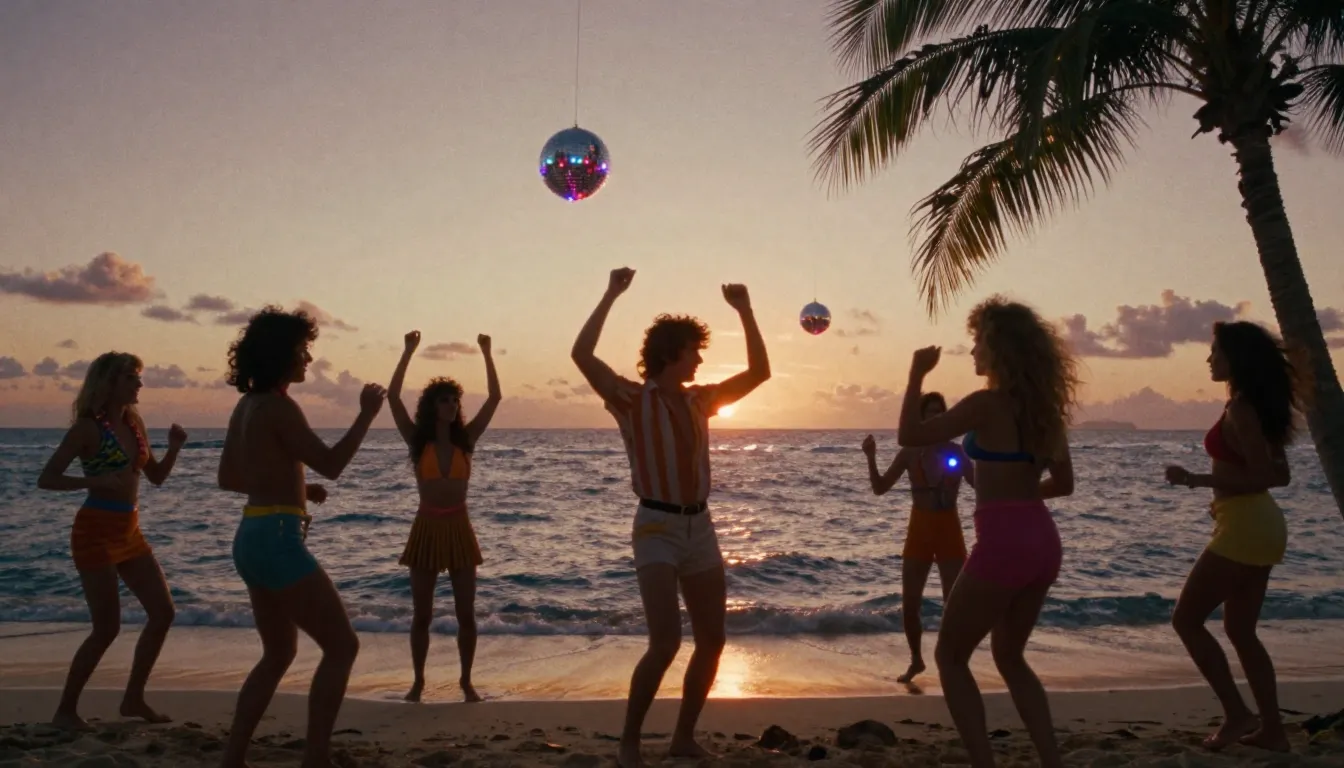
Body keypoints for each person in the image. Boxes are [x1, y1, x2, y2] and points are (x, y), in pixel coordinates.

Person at [571, 268, 770, 768]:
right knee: (664, 642)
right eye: (693, 351)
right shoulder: (631, 399)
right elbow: (582, 355)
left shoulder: (701, 399)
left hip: (699, 527)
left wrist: (746, 311)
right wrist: (610, 293)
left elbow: (759, 373)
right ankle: (629, 743)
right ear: (670, 353)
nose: (700, 359)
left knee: (713, 640)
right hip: (656, 527)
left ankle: (683, 737)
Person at [895, 296, 1079, 768]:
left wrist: (916, 374)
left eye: (978, 341)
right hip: (1043, 541)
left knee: (950, 657)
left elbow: (910, 435)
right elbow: (1064, 484)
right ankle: (1052, 761)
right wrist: (1021, 497)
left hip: (1004, 543)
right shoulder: (1044, 410)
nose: (973, 351)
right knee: (1011, 658)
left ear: (999, 349)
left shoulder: (986, 405)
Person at [216, 306, 386, 768]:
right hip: (277, 538)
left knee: (277, 653)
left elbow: (229, 476)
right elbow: (331, 463)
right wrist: (366, 416)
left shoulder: (247, 405)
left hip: (251, 535)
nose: (308, 359)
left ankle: (233, 757)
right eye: (302, 350)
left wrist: (295, 487)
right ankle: (316, 758)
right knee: (342, 646)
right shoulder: (279, 406)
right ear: (281, 355)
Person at [1164, 321, 1299, 752]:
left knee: (1186, 620)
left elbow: (1263, 476)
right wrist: (1221, 492)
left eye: (1216, 352)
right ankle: (1272, 730)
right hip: (1257, 525)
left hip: (1246, 526)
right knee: (1241, 631)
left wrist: (1195, 480)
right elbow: (1280, 475)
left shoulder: (1242, 409)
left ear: (1235, 359)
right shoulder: (1254, 407)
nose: (1209, 359)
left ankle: (1238, 715)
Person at [37, 352, 187, 729]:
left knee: (163, 612)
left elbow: (155, 477)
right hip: (95, 531)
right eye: (131, 377)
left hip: (129, 530)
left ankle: (133, 698)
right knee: (107, 628)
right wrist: (94, 481)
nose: (139, 384)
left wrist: (174, 447)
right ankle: (65, 711)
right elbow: (47, 478)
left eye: (138, 377)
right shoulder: (87, 429)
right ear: (109, 383)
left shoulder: (135, 424)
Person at [387, 330, 501, 703]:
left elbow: (495, 398)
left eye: (455, 400)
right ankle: (418, 683)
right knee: (422, 614)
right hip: (426, 526)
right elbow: (393, 399)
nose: (451, 405)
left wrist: (487, 352)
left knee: (466, 614)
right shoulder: (418, 441)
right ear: (432, 406)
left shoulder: (467, 440)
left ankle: (466, 682)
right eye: (444, 400)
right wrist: (408, 351)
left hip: (459, 527)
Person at [861, 391, 973, 684]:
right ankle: (916, 660)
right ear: (921, 418)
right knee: (910, 604)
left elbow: (981, 486)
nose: (935, 417)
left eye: (940, 412)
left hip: (949, 529)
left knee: (953, 604)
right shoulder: (910, 453)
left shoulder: (958, 452)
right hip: (920, 530)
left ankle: (953, 660)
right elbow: (880, 488)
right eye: (930, 412)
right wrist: (871, 457)